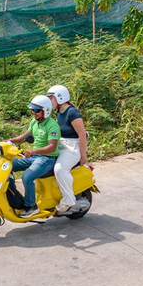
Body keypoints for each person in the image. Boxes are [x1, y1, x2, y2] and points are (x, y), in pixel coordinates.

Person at [8, 95, 60, 218]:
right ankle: (13, 197)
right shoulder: (35, 122)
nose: (33, 113)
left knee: (27, 177)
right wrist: (9, 141)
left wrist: (33, 152)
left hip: (47, 159)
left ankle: (31, 206)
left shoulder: (52, 126)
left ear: (45, 110)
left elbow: (52, 147)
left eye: (36, 110)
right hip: (35, 157)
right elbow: (25, 136)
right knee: (8, 165)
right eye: (32, 110)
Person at [46, 84, 89, 213]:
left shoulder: (72, 112)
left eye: (51, 98)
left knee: (60, 169)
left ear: (60, 98)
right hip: (62, 144)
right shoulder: (59, 112)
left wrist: (83, 155)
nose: (49, 101)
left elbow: (82, 134)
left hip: (72, 146)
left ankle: (68, 199)